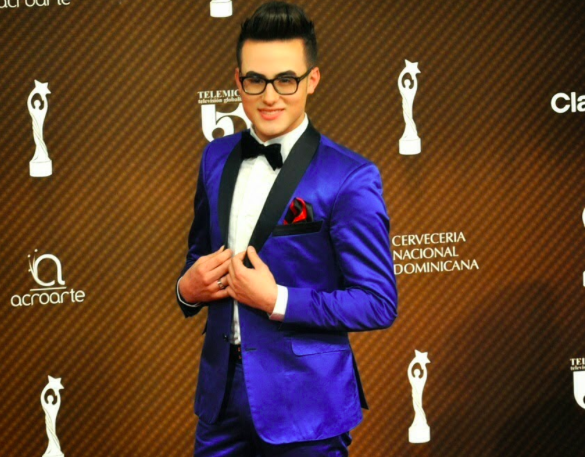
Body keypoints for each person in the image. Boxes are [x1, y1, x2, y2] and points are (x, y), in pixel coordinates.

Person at [176, 2, 398, 455]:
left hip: (308, 407)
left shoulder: (350, 176)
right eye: (255, 80)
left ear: (312, 80)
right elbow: (198, 255)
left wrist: (276, 299)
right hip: (219, 403)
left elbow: (377, 303)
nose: (270, 96)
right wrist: (186, 290)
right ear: (238, 80)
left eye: (286, 80)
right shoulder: (214, 157)